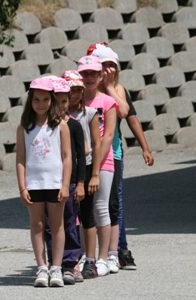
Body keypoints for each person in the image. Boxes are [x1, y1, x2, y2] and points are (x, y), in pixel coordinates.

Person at [87, 42, 154, 271]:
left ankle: (119, 250)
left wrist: (145, 147)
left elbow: (128, 114)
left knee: (114, 203)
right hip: (89, 153)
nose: (108, 70)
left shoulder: (118, 90)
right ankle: (91, 252)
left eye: (111, 65)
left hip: (113, 153)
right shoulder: (89, 89)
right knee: (92, 204)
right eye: (103, 66)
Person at [16, 76, 72, 287]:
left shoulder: (61, 126)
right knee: (37, 225)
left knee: (57, 225)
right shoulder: (24, 128)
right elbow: (21, 159)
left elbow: (67, 157)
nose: (41, 104)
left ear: (52, 101)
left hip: (56, 183)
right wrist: (22, 187)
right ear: (30, 101)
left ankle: (56, 268)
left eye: (45, 99)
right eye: (36, 99)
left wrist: (65, 184)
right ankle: (41, 267)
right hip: (34, 184)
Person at [43, 76, 86, 285]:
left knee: (69, 222)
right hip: (48, 182)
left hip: (67, 183)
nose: (60, 106)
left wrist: (79, 183)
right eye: (56, 101)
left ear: (69, 102)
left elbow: (79, 157)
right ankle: (54, 262)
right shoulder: (46, 126)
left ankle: (70, 263)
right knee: (50, 225)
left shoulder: (74, 126)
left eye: (64, 101)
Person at [77, 55, 117, 276]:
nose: (89, 77)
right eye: (85, 73)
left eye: (93, 73)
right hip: (80, 161)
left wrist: (95, 167)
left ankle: (104, 257)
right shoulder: (74, 100)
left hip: (103, 160)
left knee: (101, 207)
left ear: (101, 76)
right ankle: (86, 253)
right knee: (82, 210)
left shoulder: (107, 102)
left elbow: (108, 135)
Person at [62, 69, 102, 279]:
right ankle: (70, 259)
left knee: (87, 214)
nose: (74, 95)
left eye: (77, 90)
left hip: (85, 167)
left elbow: (96, 144)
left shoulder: (89, 114)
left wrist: (95, 174)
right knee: (68, 217)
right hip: (64, 169)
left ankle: (91, 260)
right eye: (70, 91)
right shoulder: (59, 116)